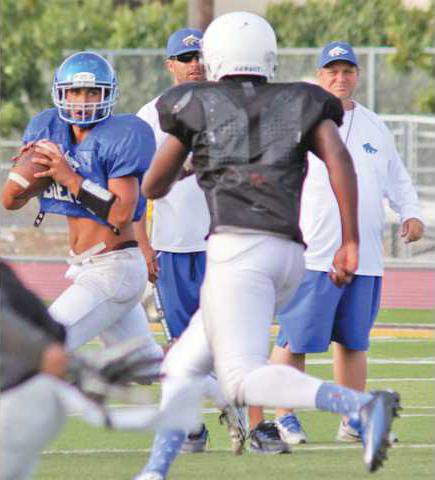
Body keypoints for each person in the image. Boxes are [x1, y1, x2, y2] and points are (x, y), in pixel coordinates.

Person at [135, 13, 401, 480]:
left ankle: (359, 405)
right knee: (181, 364)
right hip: (290, 254)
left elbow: (153, 186)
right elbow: (339, 160)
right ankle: (154, 472)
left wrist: (194, 162)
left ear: (215, 56)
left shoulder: (196, 103)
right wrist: (351, 240)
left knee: (240, 378)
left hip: (238, 251)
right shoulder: (299, 99)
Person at [247, 41, 424, 450]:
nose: (340, 78)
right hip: (313, 255)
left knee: (354, 340)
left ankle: (353, 418)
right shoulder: (297, 122)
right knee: (294, 339)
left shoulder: (375, 126)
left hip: (365, 256)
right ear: (319, 75)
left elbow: (397, 179)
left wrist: (411, 213)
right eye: (332, 71)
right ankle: (284, 415)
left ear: (357, 75)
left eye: (347, 71)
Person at [1, 51, 163, 373]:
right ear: (61, 93)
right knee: (147, 368)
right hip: (84, 265)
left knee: (42, 347)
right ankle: (220, 396)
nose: (83, 101)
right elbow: (9, 202)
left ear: (108, 94)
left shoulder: (121, 135)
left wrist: (70, 178)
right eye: (75, 91)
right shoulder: (49, 132)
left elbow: (121, 213)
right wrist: (26, 177)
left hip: (114, 268)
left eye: (92, 92)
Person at [135, 28, 246, 455]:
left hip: (221, 243)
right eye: (185, 58)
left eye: (199, 55)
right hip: (173, 247)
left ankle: (235, 412)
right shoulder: (151, 114)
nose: (194, 64)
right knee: (183, 344)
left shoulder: (229, 106)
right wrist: (144, 245)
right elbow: (136, 185)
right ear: (170, 65)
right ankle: (195, 427)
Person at [0, 259, 198, 480]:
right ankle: (200, 368)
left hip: (19, 396)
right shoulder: (6, 274)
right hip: (36, 397)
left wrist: (57, 360)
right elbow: (51, 331)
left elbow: (49, 351)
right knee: (151, 361)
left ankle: (202, 368)